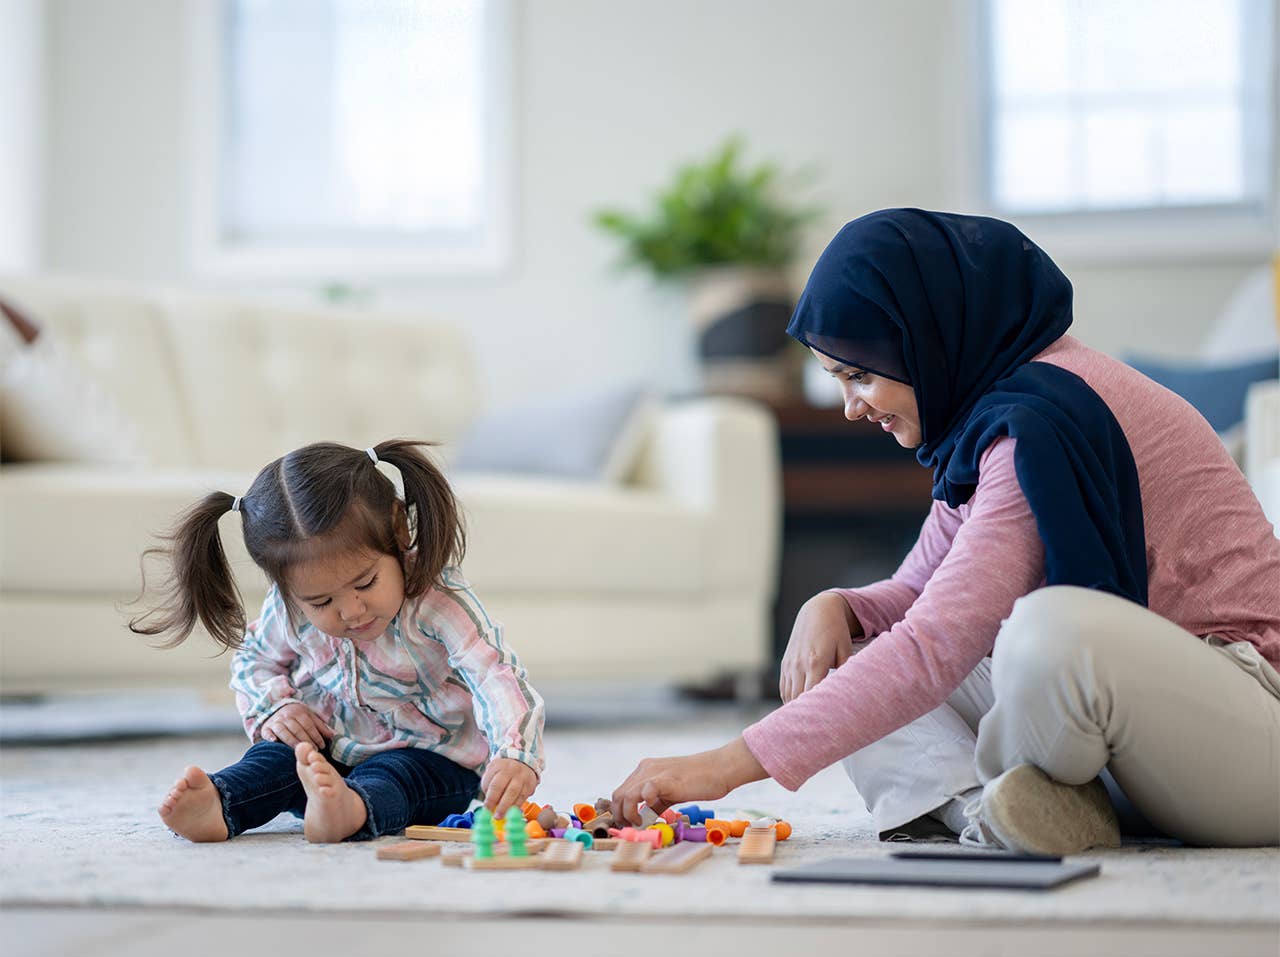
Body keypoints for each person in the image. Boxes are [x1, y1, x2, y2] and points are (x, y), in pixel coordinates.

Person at [611, 209, 1280, 854]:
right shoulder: (988, 417)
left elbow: (937, 643)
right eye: (839, 381)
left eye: (861, 376)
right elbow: (918, 594)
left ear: (925, 339)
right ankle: (999, 815)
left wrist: (720, 766)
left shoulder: (1037, 430)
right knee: (856, 656)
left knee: (1051, 630)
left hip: (1247, 732)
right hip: (1144, 745)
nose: (851, 407)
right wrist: (837, 607)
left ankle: (1029, 795)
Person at [132, 439, 545, 843]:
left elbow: (494, 674)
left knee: (398, 777)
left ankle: (351, 810)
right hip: (329, 753)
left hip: (432, 758)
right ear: (288, 587)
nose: (351, 612)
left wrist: (514, 753)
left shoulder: (438, 602)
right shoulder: (289, 608)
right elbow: (254, 660)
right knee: (275, 758)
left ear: (399, 531)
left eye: (365, 582)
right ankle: (220, 803)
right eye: (321, 601)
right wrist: (278, 706)